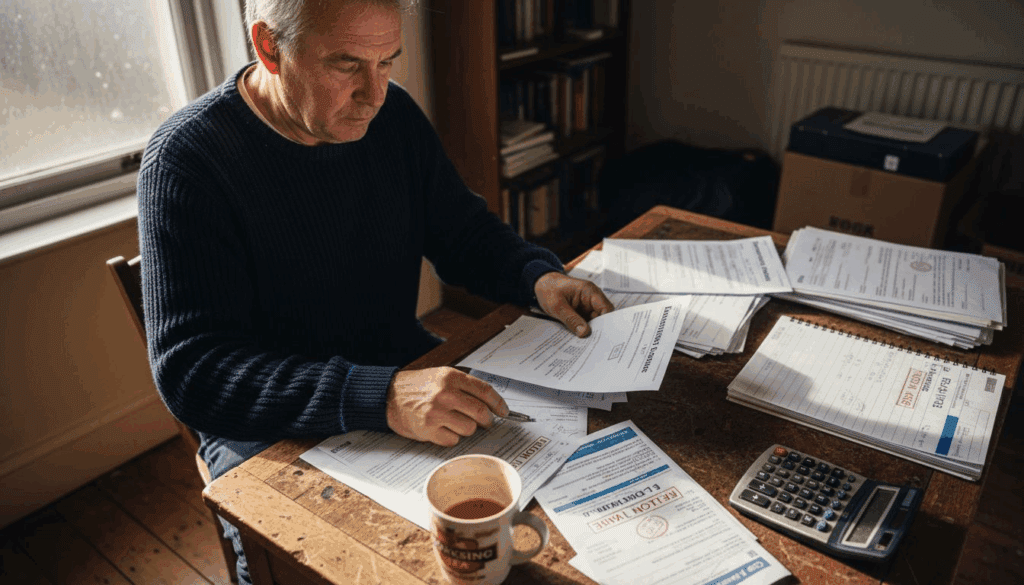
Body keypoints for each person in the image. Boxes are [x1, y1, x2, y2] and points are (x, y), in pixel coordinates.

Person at [137, 0, 613, 582]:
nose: (375, 93)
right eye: (346, 65)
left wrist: (536, 277)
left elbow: (461, 231)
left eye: (388, 61)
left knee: (528, 529)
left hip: (401, 369)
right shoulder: (187, 161)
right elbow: (194, 371)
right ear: (269, 48)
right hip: (271, 432)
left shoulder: (393, 119)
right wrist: (380, 396)